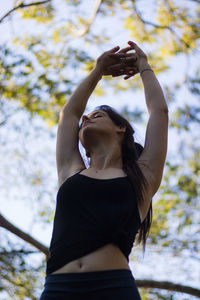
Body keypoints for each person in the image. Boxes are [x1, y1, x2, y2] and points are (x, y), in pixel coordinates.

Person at [40, 41, 168, 300]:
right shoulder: (71, 171)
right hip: (57, 289)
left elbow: (159, 112)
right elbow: (70, 114)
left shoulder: (143, 176)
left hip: (113, 287)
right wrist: (98, 70)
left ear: (121, 128)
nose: (86, 118)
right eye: (85, 119)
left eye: (96, 114)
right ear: (83, 149)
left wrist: (144, 66)